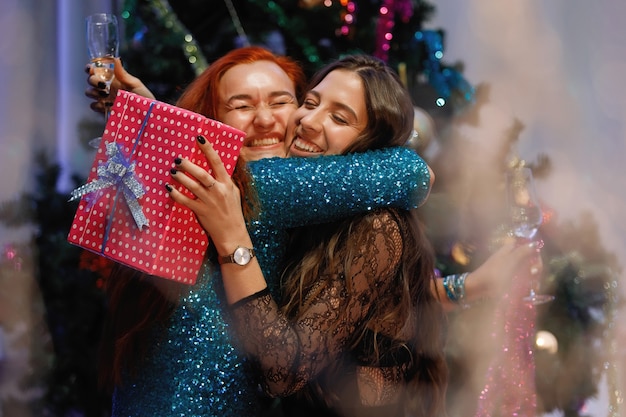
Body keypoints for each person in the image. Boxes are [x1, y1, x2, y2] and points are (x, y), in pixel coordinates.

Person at [85, 47, 436, 417]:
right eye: (241, 106)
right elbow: (415, 173)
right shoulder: (257, 189)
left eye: (282, 101)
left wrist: (157, 123)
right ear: (211, 121)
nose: (267, 120)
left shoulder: (215, 189)